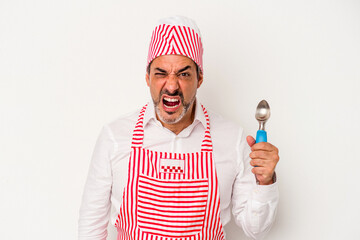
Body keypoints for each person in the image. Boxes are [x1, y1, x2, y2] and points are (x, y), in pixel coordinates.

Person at [78, 16, 279, 240]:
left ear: (199, 78)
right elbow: (91, 229)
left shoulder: (231, 137)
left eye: (183, 74)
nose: (172, 86)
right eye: (161, 73)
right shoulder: (115, 136)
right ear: (147, 77)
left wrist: (265, 182)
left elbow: (256, 229)